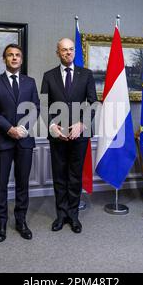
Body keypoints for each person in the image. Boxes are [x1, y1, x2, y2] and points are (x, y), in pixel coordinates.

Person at [41, 38, 97, 233]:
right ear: (58, 53)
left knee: (74, 176)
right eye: (64, 50)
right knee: (59, 176)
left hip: (79, 135)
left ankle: (73, 216)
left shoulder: (86, 74)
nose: (68, 53)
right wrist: (52, 126)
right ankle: (61, 215)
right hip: (57, 135)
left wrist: (82, 124)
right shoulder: (48, 76)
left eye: (71, 49)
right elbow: (44, 105)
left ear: (74, 52)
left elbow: (92, 102)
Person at [0, 43, 40, 242]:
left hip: (25, 140)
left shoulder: (30, 82)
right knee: (1, 184)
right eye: (10, 55)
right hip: (3, 140)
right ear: (5, 59)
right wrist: (10, 129)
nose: (14, 58)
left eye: (17, 55)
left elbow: (35, 109)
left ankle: (21, 221)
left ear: (21, 59)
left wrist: (23, 128)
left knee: (22, 183)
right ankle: (1, 223)